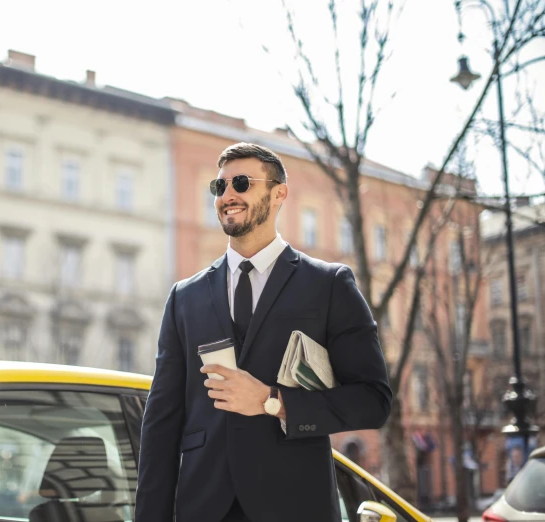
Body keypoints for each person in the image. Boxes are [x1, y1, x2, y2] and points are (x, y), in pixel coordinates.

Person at [135, 143, 392, 522]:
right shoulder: (184, 298)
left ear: (278, 194)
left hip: (295, 505)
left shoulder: (328, 285)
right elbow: (161, 424)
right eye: (219, 187)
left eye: (242, 183)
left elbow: (373, 400)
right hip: (204, 508)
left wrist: (273, 401)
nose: (228, 196)